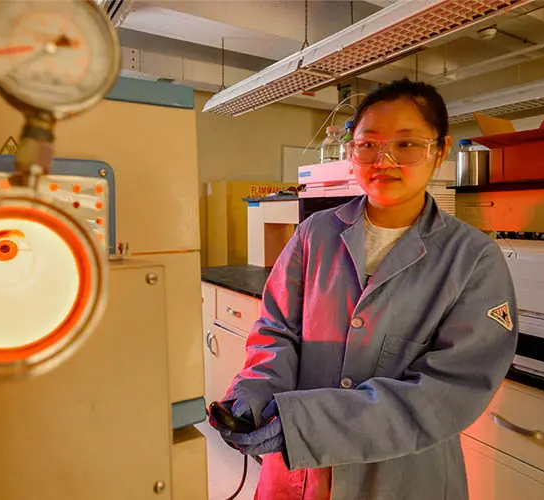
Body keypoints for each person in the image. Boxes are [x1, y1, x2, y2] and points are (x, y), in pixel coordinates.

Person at [209, 78, 518, 500]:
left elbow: (449, 392)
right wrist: (255, 390)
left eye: (406, 145)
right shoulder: (315, 233)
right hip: (301, 474)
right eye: (368, 145)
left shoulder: (473, 258)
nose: (383, 160)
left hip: (401, 479)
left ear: (440, 151)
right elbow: (276, 330)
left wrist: (307, 423)